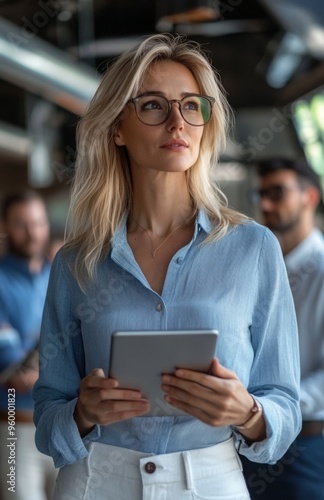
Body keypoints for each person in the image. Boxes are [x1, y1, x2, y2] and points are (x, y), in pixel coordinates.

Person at [33, 34, 301, 500]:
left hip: (211, 482)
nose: (178, 121)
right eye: (154, 105)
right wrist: (81, 412)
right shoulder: (76, 263)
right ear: (117, 126)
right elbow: (44, 411)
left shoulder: (253, 248)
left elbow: (285, 403)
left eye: (192, 106)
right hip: (96, 482)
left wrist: (248, 412)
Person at [242, 158, 324, 499]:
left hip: (305, 446)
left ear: (310, 197)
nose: (264, 204)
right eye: (260, 194)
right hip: (248, 439)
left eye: (277, 193)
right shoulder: (257, 270)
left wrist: (273, 407)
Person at [0, 191, 57, 500]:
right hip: (14, 427)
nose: (32, 232)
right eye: (21, 224)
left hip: (65, 427)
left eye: (37, 223)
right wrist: (66, 371)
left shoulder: (64, 277)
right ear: (5, 225)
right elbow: (15, 375)